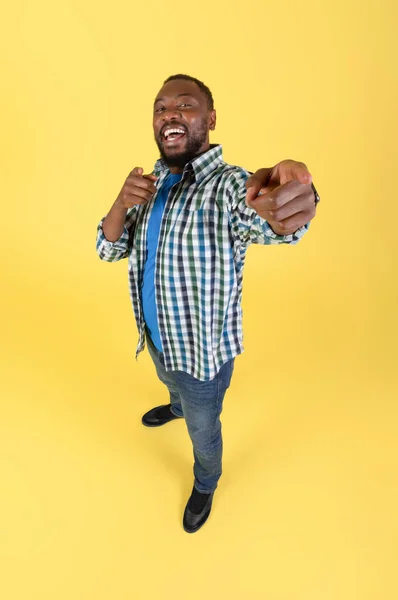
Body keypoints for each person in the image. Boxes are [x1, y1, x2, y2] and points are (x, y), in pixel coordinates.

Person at [96, 74, 319, 534]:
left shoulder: (227, 187)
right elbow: (109, 248)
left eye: (184, 105)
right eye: (160, 108)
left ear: (210, 119)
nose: (169, 115)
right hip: (155, 339)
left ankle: (206, 480)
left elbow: (269, 214)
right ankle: (173, 405)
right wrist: (120, 202)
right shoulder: (149, 183)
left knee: (203, 428)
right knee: (165, 380)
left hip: (201, 359)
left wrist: (291, 199)